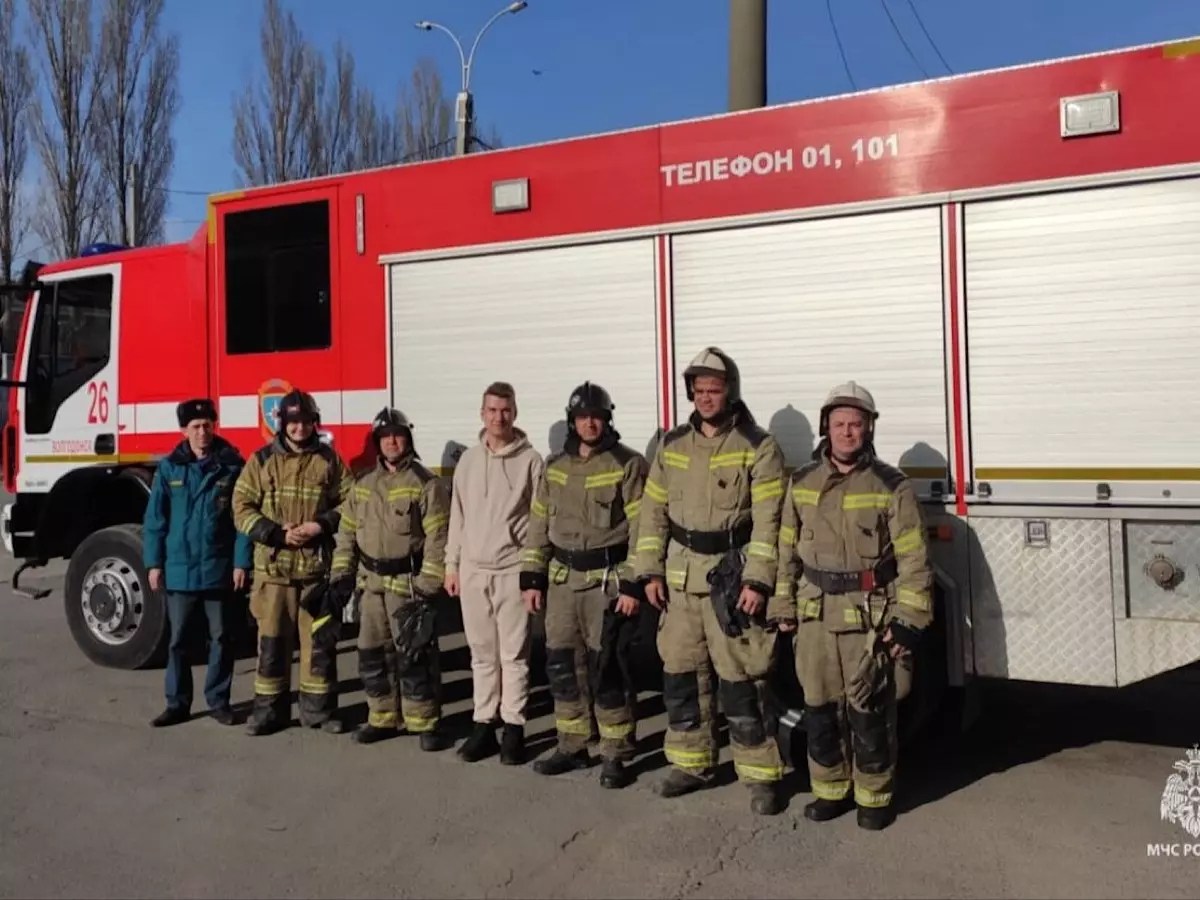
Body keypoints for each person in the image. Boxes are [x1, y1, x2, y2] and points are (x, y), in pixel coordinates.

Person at [770, 381, 934, 831]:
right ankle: (830, 792)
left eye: (855, 424)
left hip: (869, 619)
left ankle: (875, 797)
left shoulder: (891, 486)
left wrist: (907, 623)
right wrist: (781, 605)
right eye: (839, 424)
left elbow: (914, 558)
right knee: (820, 710)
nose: (847, 432)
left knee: (871, 712)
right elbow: (785, 548)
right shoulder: (801, 483)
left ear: (868, 429)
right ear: (827, 427)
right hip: (815, 617)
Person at [633, 347, 788, 816]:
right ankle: (691, 763)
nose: (705, 398)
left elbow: (769, 523)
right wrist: (648, 571)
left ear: (730, 392)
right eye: (698, 391)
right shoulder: (672, 445)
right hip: (679, 582)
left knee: (741, 681)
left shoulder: (758, 446)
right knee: (680, 676)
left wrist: (758, 581)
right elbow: (652, 513)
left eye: (714, 390)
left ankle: (760, 775)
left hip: (731, 581)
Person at [520, 382, 648, 789]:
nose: (589, 423)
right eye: (581, 417)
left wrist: (632, 584)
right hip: (561, 583)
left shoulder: (627, 464)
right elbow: (539, 525)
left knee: (608, 667)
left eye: (596, 416)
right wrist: (531, 576)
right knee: (561, 665)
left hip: (606, 584)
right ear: (572, 421)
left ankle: (616, 752)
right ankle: (572, 744)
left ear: (606, 419)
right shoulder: (555, 467)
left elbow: (643, 528)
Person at [232, 389, 355, 737]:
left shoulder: (330, 460)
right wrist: (275, 533)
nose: (300, 428)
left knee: (319, 647)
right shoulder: (260, 461)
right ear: (282, 423)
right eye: (293, 421)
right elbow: (240, 508)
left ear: (314, 423)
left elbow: (352, 503)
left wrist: (320, 525)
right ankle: (269, 713)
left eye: (306, 422)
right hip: (274, 574)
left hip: (315, 572)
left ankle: (317, 713)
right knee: (271, 645)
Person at [330, 408, 453, 750]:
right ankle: (381, 717)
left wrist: (429, 585)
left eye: (398, 436)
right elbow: (346, 534)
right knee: (372, 653)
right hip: (371, 586)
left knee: (415, 656)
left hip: (409, 585)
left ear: (408, 439)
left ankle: (425, 721)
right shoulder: (363, 485)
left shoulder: (425, 484)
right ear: (377, 443)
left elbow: (438, 539)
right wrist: (342, 575)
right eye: (385, 437)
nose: (392, 442)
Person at [444, 381, 544, 765]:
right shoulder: (467, 461)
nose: (498, 417)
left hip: (511, 570)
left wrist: (532, 573)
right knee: (482, 654)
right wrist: (452, 565)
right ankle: (483, 724)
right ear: (481, 414)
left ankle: (514, 728)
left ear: (514, 413)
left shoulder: (531, 460)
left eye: (505, 410)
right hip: (472, 571)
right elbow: (458, 517)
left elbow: (538, 521)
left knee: (514, 655)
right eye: (491, 410)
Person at [144, 398, 251, 727]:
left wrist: (240, 563)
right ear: (183, 430)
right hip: (178, 569)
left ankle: (219, 701)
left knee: (221, 638)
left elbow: (242, 519)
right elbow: (155, 519)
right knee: (178, 641)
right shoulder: (169, 468)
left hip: (218, 568)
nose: (202, 432)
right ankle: (177, 703)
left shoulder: (232, 466)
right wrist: (154, 563)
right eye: (195, 427)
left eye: (207, 425)